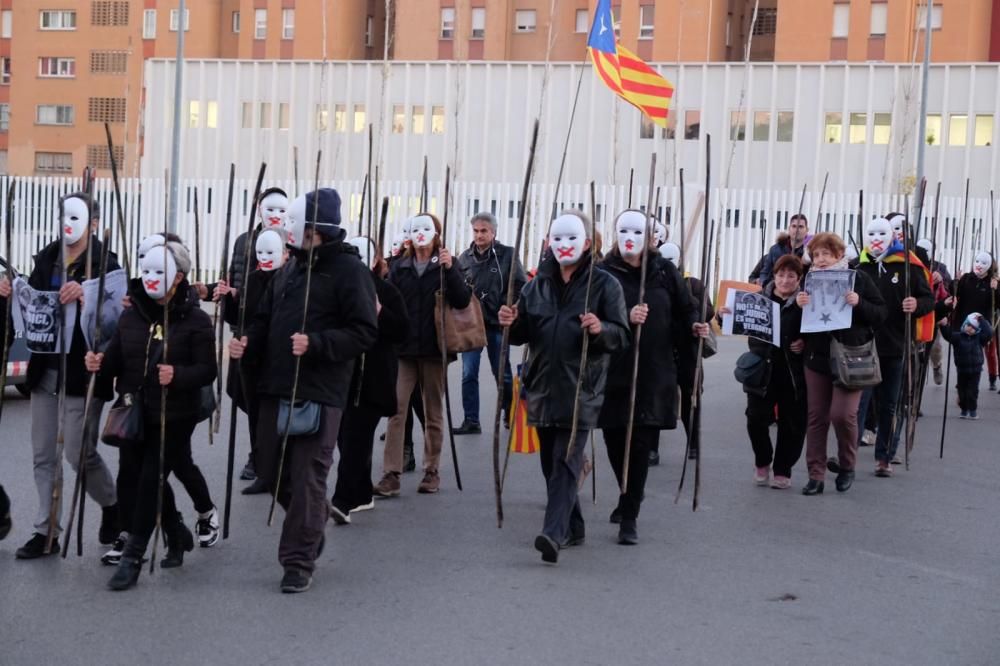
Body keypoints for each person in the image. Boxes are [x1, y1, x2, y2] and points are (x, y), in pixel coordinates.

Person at [230, 188, 377, 593]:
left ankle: (297, 561)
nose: (291, 233)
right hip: (274, 386)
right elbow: (263, 318)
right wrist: (247, 341)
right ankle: (312, 524)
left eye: (300, 227)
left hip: (321, 388)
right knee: (270, 469)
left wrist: (318, 343)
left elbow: (364, 331)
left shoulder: (349, 272)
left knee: (308, 474)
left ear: (319, 231)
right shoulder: (289, 269)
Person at [499, 211, 630, 564]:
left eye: (571, 238)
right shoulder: (535, 285)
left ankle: (552, 534)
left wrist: (601, 329)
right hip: (542, 386)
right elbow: (526, 332)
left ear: (587, 243)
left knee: (566, 462)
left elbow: (622, 336)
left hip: (582, 388)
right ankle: (574, 525)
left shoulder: (604, 285)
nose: (563, 245)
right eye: (557, 239)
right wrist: (511, 323)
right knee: (550, 464)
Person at [86, 240, 217, 590]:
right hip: (135, 409)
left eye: (160, 272)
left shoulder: (197, 320)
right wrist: (98, 364)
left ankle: (133, 555)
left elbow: (208, 370)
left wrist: (178, 375)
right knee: (138, 476)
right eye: (146, 271)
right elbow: (115, 359)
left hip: (176, 414)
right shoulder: (132, 315)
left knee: (149, 479)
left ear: (177, 278)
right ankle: (176, 533)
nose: (150, 279)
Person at [0, 193, 120, 559]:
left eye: (76, 216)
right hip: (44, 369)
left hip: (83, 372)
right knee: (42, 454)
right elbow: (31, 303)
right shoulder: (48, 257)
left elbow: (115, 317)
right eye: (62, 215)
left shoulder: (106, 263)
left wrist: (87, 295)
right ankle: (46, 529)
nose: (67, 223)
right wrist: (9, 294)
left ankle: (112, 506)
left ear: (94, 222)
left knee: (78, 453)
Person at [598, 211, 702, 545]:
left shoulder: (663, 270)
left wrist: (694, 326)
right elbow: (591, 313)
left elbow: (686, 309)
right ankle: (628, 491)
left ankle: (630, 515)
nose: (629, 236)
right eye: (623, 230)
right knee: (614, 438)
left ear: (649, 236)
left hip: (653, 369)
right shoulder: (602, 272)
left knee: (640, 441)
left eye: (637, 230)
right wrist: (624, 315)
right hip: (613, 367)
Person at [373, 213, 471, 497]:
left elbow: (462, 299)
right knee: (395, 410)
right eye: (415, 229)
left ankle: (432, 470)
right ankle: (391, 473)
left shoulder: (444, 266)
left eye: (426, 229)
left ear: (436, 233)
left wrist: (451, 269)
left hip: (433, 350)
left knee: (433, 412)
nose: (420, 234)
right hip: (403, 350)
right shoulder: (399, 267)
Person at [196, 186, 289, 483]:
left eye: (280, 210)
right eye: (269, 208)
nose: (275, 215)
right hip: (243, 331)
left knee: (272, 398)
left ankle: (270, 454)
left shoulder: (294, 243)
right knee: (246, 395)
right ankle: (260, 451)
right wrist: (215, 291)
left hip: (276, 336)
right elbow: (232, 281)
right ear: (258, 208)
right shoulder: (243, 242)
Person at [796, 233, 886, 495]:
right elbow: (795, 322)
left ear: (838, 255)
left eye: (826, 254)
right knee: (816, 418)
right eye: (816, 255)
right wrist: (799, 305)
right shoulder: (808, 281)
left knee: (843, 415)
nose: (821, 259)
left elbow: (881, 314)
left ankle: (847, 465)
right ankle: (816, 474)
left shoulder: (857, 278)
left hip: (851, 356)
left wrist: (859, 303)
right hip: (817, 357)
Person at [328, 236, 409, 524]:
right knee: (345, 438)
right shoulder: (339, 288)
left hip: (373, 379)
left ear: (376, 260)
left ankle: (341, 500)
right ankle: (361, 493)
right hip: (343, 378)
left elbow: (401, 330)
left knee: (355, 439)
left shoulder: (386, 291)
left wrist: (379, 312)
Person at [853, 217, 934, 477]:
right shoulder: (858, 267)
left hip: (896, 344)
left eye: (882, 233)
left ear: (893, 236)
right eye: (871, 233)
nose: (876, 238)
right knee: (859, 404)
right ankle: (848, 456)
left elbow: (928, 298)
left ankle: (884, 456)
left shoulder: (908, 266)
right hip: (863, 345)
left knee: (889, 404)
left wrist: (916, 304)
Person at [722, 254, 807, 489]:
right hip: (762, 371)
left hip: (792, 373)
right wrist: (724, 315)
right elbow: (735, 320)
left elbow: (818, 333)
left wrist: (804, 343)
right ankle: (762, 461)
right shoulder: (757, 299)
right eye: (781, 275)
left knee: (791, 424)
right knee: (755, 419)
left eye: (791, 276)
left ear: (799, 278)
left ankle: (782, 470)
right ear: (774, 276)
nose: (785, 280)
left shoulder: (804, 303)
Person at [214, 227, 289, 495]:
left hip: (279, 358)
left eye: (272, 252)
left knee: (277, 418)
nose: (265, 257)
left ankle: (281, 468)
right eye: (261, 252)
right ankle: (261, 467)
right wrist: (229, 298)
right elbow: (239, 318)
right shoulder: (253, 279)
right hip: (252, 358)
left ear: (285, 252)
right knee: (256, 416)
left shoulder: (291, 280)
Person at [455, 212, 526, 435]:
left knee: (502, 373)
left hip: (497, 322)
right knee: (468, 374)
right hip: (472, 325)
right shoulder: (464, 258)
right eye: (476, 230)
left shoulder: (508, 255)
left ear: (493, 232)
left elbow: (520, 284)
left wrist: (510, 306)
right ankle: (471, 420)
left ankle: (509, 411)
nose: (479, 235)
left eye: (483, 230)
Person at [654, 241, 714, 465]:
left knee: (691, 397)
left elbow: (708, 311)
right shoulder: (652, 284)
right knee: (656, 398)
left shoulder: (693, 284)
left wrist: (690, 306)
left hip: (688, 349)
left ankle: (694, 443)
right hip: (661, 348)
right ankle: (652, 447)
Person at [949, 252, 999, 391]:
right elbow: (953, 293)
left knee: (975, 357)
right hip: (963, 325)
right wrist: (955, 282)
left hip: (981, 327)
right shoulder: (966, 279)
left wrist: (997, 289)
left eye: (984, 263)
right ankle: (962, 383)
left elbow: (997, 303)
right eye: (977, 261)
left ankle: (979, 383)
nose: (979, 265)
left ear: (989, 266)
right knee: (961, 356)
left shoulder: (992, 282)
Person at [939, 313, 993, 419]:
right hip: (962, 369)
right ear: (964, 324)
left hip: (976, 370)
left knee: (973, 391)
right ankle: (964, 409)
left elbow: (989, 333)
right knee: (962, 391)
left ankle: (972, 410)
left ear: (977, 329)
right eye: (969, 325)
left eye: (974, 327)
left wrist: (982, 320)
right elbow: (948, 335)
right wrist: (944, 325)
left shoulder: (979, 339)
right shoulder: (958, 337)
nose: (970, 329)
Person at [758, 214, 810, 285]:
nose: (797, 230)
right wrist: (766, 287)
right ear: (789, 228)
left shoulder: (809, 253)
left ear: (807, 230)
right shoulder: (775, 249)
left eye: (801, 227)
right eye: (794, 226)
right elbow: (764, 273)